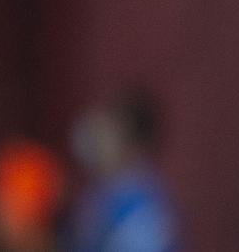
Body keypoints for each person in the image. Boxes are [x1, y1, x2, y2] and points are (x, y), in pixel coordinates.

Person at [69, 90, 178, 252]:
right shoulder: (101, 193)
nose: (97, 140)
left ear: (133, 144)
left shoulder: (145, 210)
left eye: (108, 132)